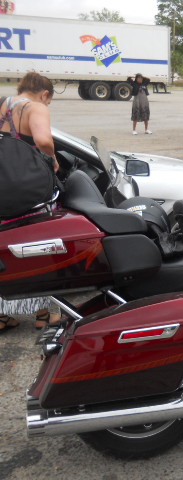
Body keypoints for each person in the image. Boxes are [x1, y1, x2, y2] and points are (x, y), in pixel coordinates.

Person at [0, 71, 60, 332]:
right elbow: (43, 139)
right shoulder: (35, 107)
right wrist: (53, 160)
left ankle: (3, 315)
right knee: (37, 247)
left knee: (6, 249)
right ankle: (44, 315)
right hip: (28, 190)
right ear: (44, 94)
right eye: (49, 101)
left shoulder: (3, 103)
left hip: (3, 186)